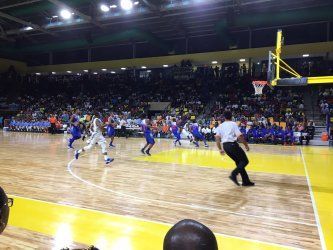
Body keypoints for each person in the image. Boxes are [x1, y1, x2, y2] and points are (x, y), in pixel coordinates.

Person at [215, 111, 254, 186]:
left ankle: (246, 181)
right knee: (245, 161)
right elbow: (239, 136)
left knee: (239, 163)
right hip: (232, 145)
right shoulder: (233, 124)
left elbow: (217, 138)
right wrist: (246, 145)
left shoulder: (221, 125)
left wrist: (220, 149)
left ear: (224, 117)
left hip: (225, 146)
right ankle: (233, 174)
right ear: (231, 116)